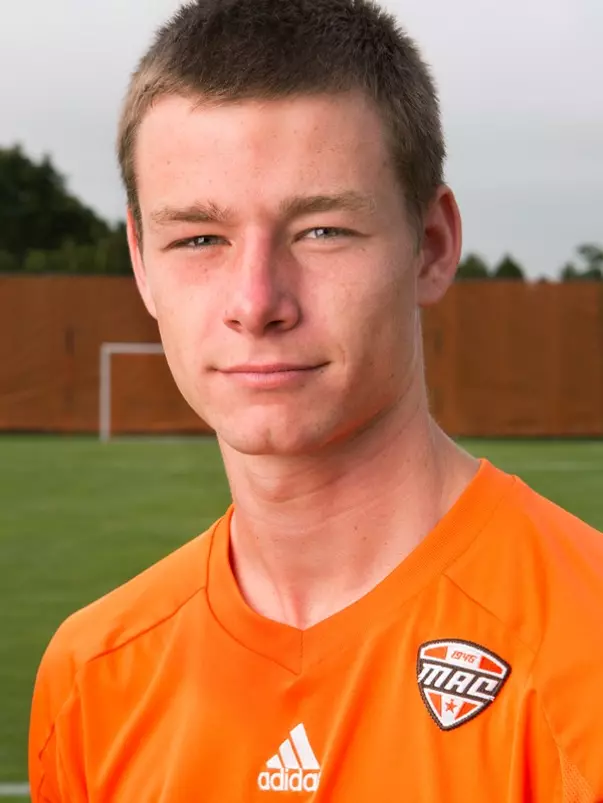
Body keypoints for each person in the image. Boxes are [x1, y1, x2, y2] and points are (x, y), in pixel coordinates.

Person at [29, 0, 603, 800]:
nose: (256, 300)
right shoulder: (93, 673)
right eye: (199, 238)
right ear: (140, 261)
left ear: (431, 246)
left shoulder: (586, 650)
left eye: (321, 230)